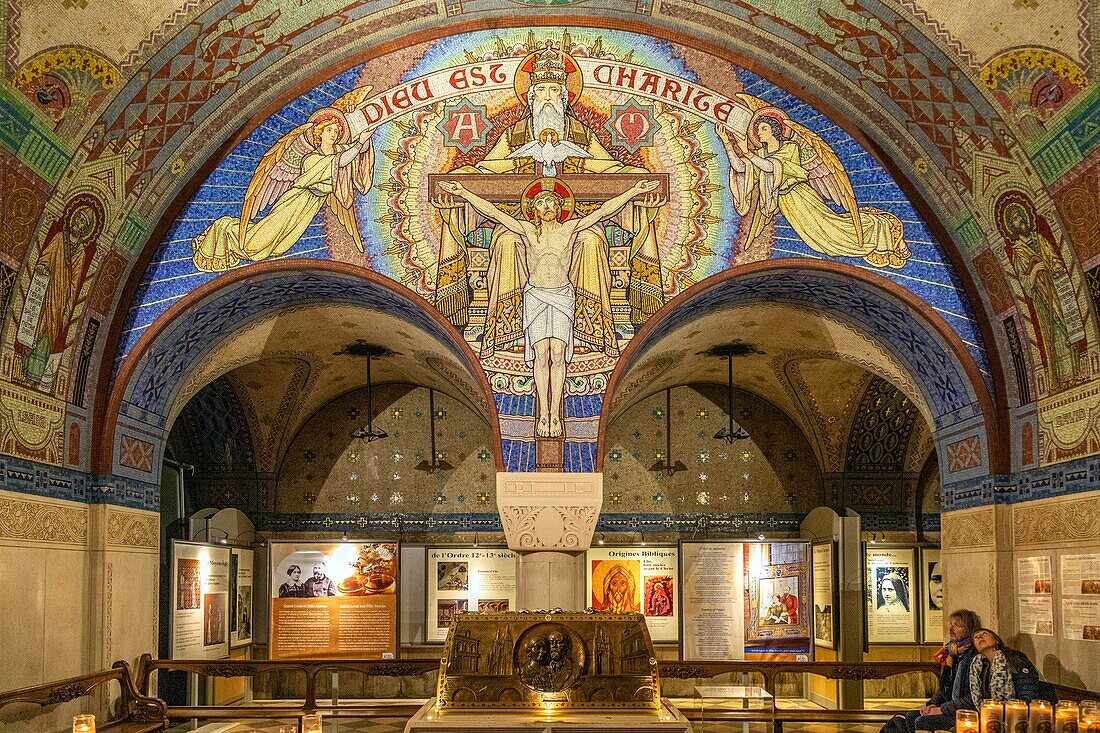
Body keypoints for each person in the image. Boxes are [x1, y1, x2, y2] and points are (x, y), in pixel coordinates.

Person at [433, 42, 666, 356]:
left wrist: (637, 185)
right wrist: (458, 184)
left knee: (592, 242)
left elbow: (609, 168)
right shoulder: (514, 135)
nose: (547, 98)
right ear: (530, 97)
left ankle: (593, 331)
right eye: (540, 90)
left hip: (575, 217)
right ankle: (504, 331)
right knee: (505, 243)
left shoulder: (582, 135)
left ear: (564, 97)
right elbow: (487, 168)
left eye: (553, 91)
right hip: (521, 220)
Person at [436, 177, 660, 438]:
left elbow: (603, 211)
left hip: (563, 296)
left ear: (559, 207)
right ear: (534, 211)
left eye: (551, 203)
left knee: (559, 352)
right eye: (541, 204)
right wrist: (463, 191)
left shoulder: (569, 229)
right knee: (542, 354)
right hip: (537, 297)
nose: (546, 207)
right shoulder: (528, 232)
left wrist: (634, 191)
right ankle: (543, 415)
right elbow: (493, 212)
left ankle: (557, 415)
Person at [717, 106, 911, 269]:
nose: (759, 133)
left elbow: (773, 166)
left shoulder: (790, 148)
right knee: (821, 244)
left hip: (800, 196)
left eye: (763, 128)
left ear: (775, 130)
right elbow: (742, 168)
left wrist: (747, 153)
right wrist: (726, 142)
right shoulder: (760, 153)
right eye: (758, 130)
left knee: (832, 229)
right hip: (786, 204)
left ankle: (881, 229)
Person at [192, 107, 374, 271]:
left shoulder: (339, 150)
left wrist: (364, 127)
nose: (334, 134)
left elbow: (358, 151)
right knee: (254, 245)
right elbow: (343, 159)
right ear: (319, 133)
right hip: (295, 201)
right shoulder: (311, 158)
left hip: (310, 206)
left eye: (337, 131)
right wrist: (358, 145)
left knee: (279, 247)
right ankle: (223, 227)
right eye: (329, 130)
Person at [890, 609, 982, 733]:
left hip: (967, 712)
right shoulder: (951, 654)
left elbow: (971, 699)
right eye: (951, 624)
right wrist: (932, 704)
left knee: (920, 721)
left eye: (957, 625)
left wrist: (941, 709)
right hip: (951, 706)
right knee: (911, 716)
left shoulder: (975, 657)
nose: (951, 629)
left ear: (970, 629)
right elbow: (944, 687)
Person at [967, 628, 1046, 707]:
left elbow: (1027, 692)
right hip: (989, 713)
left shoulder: (1014, 658)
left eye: (984, 634)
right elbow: (975, 697)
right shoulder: (979, 666)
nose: (979, 637)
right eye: (976, 637)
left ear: (997, 640)